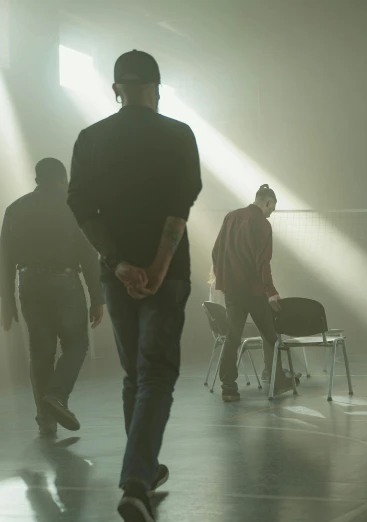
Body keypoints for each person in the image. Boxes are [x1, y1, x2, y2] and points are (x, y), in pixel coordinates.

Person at [67, 50, 202, 521]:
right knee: (157, 376)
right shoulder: (178, 135)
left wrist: (119, 263)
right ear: (157, 90)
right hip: (168, 277)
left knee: (134, 377)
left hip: (117, 277)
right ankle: (137, 481)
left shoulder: (91, 139)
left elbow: (82, 208)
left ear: (116, 90)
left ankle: (141, 467)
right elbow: (178, 206)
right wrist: (161, 266)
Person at [0, 158, 104, 438]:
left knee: (41, 352)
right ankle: (56, 396)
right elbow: (88, 254)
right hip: (64, 282)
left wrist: (7, 300)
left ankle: (46, 421)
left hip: (29, 283)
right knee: (77, 343)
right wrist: (97, 297)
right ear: (60, 179)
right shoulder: (72, 207)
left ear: (37, 179)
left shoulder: (14, 209)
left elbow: (5, 259)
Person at [211, 184, 295, 402]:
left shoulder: (230, 217)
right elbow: (262, 262)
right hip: (254, 290)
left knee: (232, 337)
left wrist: (222, 278)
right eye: (272, 209)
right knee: (271, 335)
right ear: (268, 202)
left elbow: (215, 250)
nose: (271, 213)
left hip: (232, 291)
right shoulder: (263, 225)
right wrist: (271, 291)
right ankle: (277, 381)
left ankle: (228, 387)